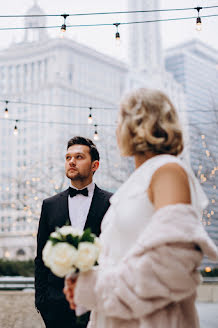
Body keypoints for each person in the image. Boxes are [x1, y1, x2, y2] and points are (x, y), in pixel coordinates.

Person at [64, 89, 218, 328]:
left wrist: (93, 286)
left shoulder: (168, 171)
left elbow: (172, 265)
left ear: (137, 124)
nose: (116, 129)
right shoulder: (136, 181)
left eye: (119, 121)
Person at [35, 136, 113, 328]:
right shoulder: (49, 205)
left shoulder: (112, 203)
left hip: (98, 303)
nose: (71, 161)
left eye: (79, 157)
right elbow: (41, 256)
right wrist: (42, 301)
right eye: (68, 157)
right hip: (55, 307)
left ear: (95, 165)